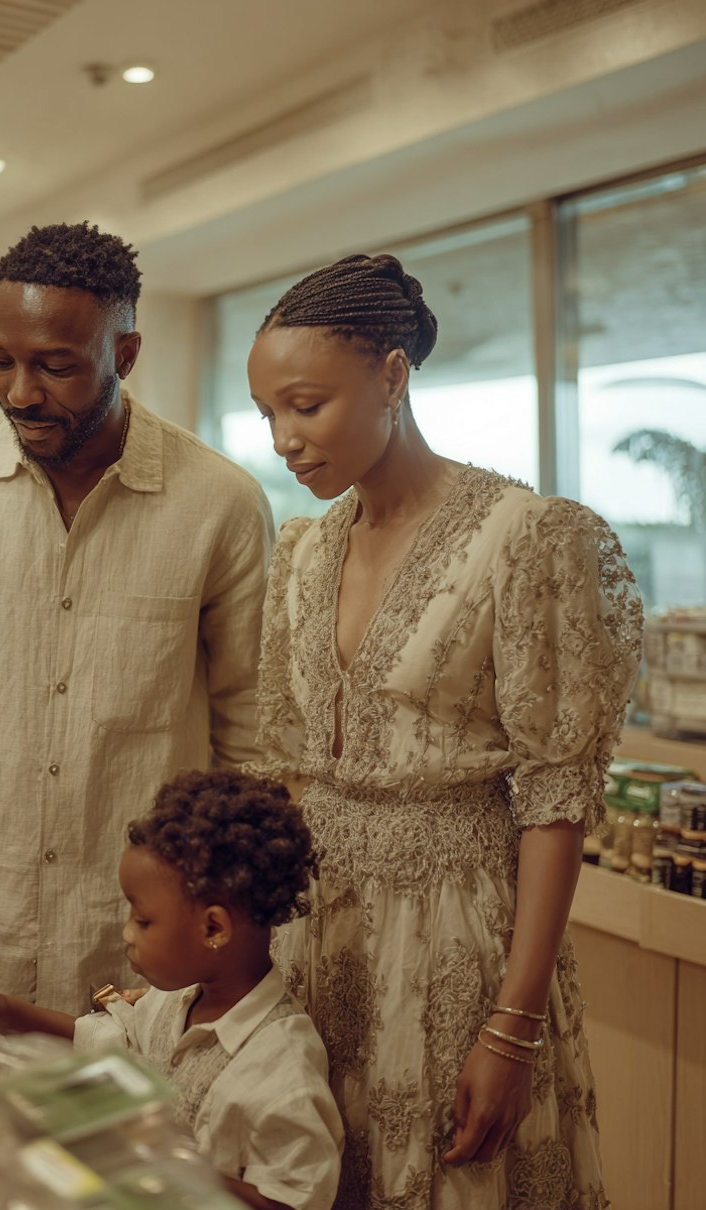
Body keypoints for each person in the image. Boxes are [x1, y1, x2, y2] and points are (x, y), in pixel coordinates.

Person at [245, 253, 643, 1209]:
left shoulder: (530, 537)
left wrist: (513, 1026)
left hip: (460, 931)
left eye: (306, 405)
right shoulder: (303, 549)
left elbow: (554, 799)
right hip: (319, 924)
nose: (285, 440)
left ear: (392, 374)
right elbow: (293, 768)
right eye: (268, 415)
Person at [0, 221, 273, 1012]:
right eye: (2, 361)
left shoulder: (220, 505)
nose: (20, 393)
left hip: (147, 951)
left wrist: (234, 917)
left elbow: (255, 725)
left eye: (56, 367)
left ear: (125, 355)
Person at [0, 769, 344, 1210]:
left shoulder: (282, 1069)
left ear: (213, 927)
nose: (127, 934)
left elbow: (291, 1201)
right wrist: (3, 1009)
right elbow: (105, 1042)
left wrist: (161, 1155)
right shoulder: (177, 1000)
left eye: (143, 920)